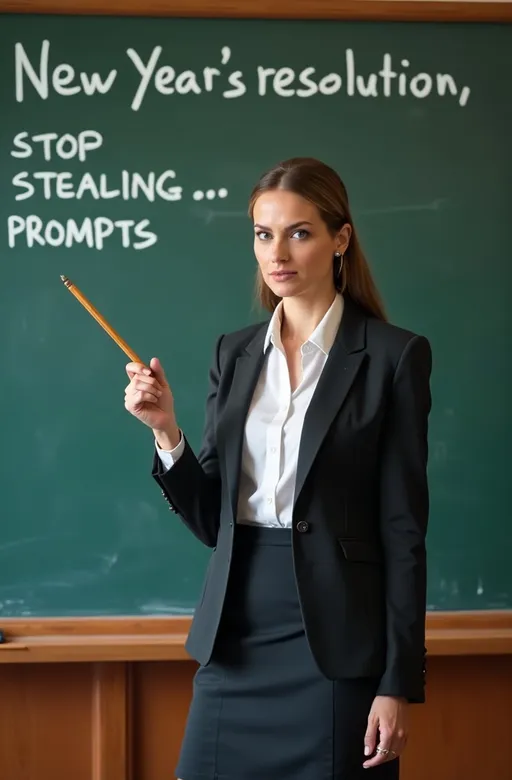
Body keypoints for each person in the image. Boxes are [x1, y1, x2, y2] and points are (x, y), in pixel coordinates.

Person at [124, 157, 432, 780]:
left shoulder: (393, 358)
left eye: (300, 232)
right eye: (264, 234)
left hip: (336, 647)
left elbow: (403, 533)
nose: (277, 251)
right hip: (235, 636)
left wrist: (398, 683)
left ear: (340, 239)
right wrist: (166, 432)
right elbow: (214, 521)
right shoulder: (234, 353)